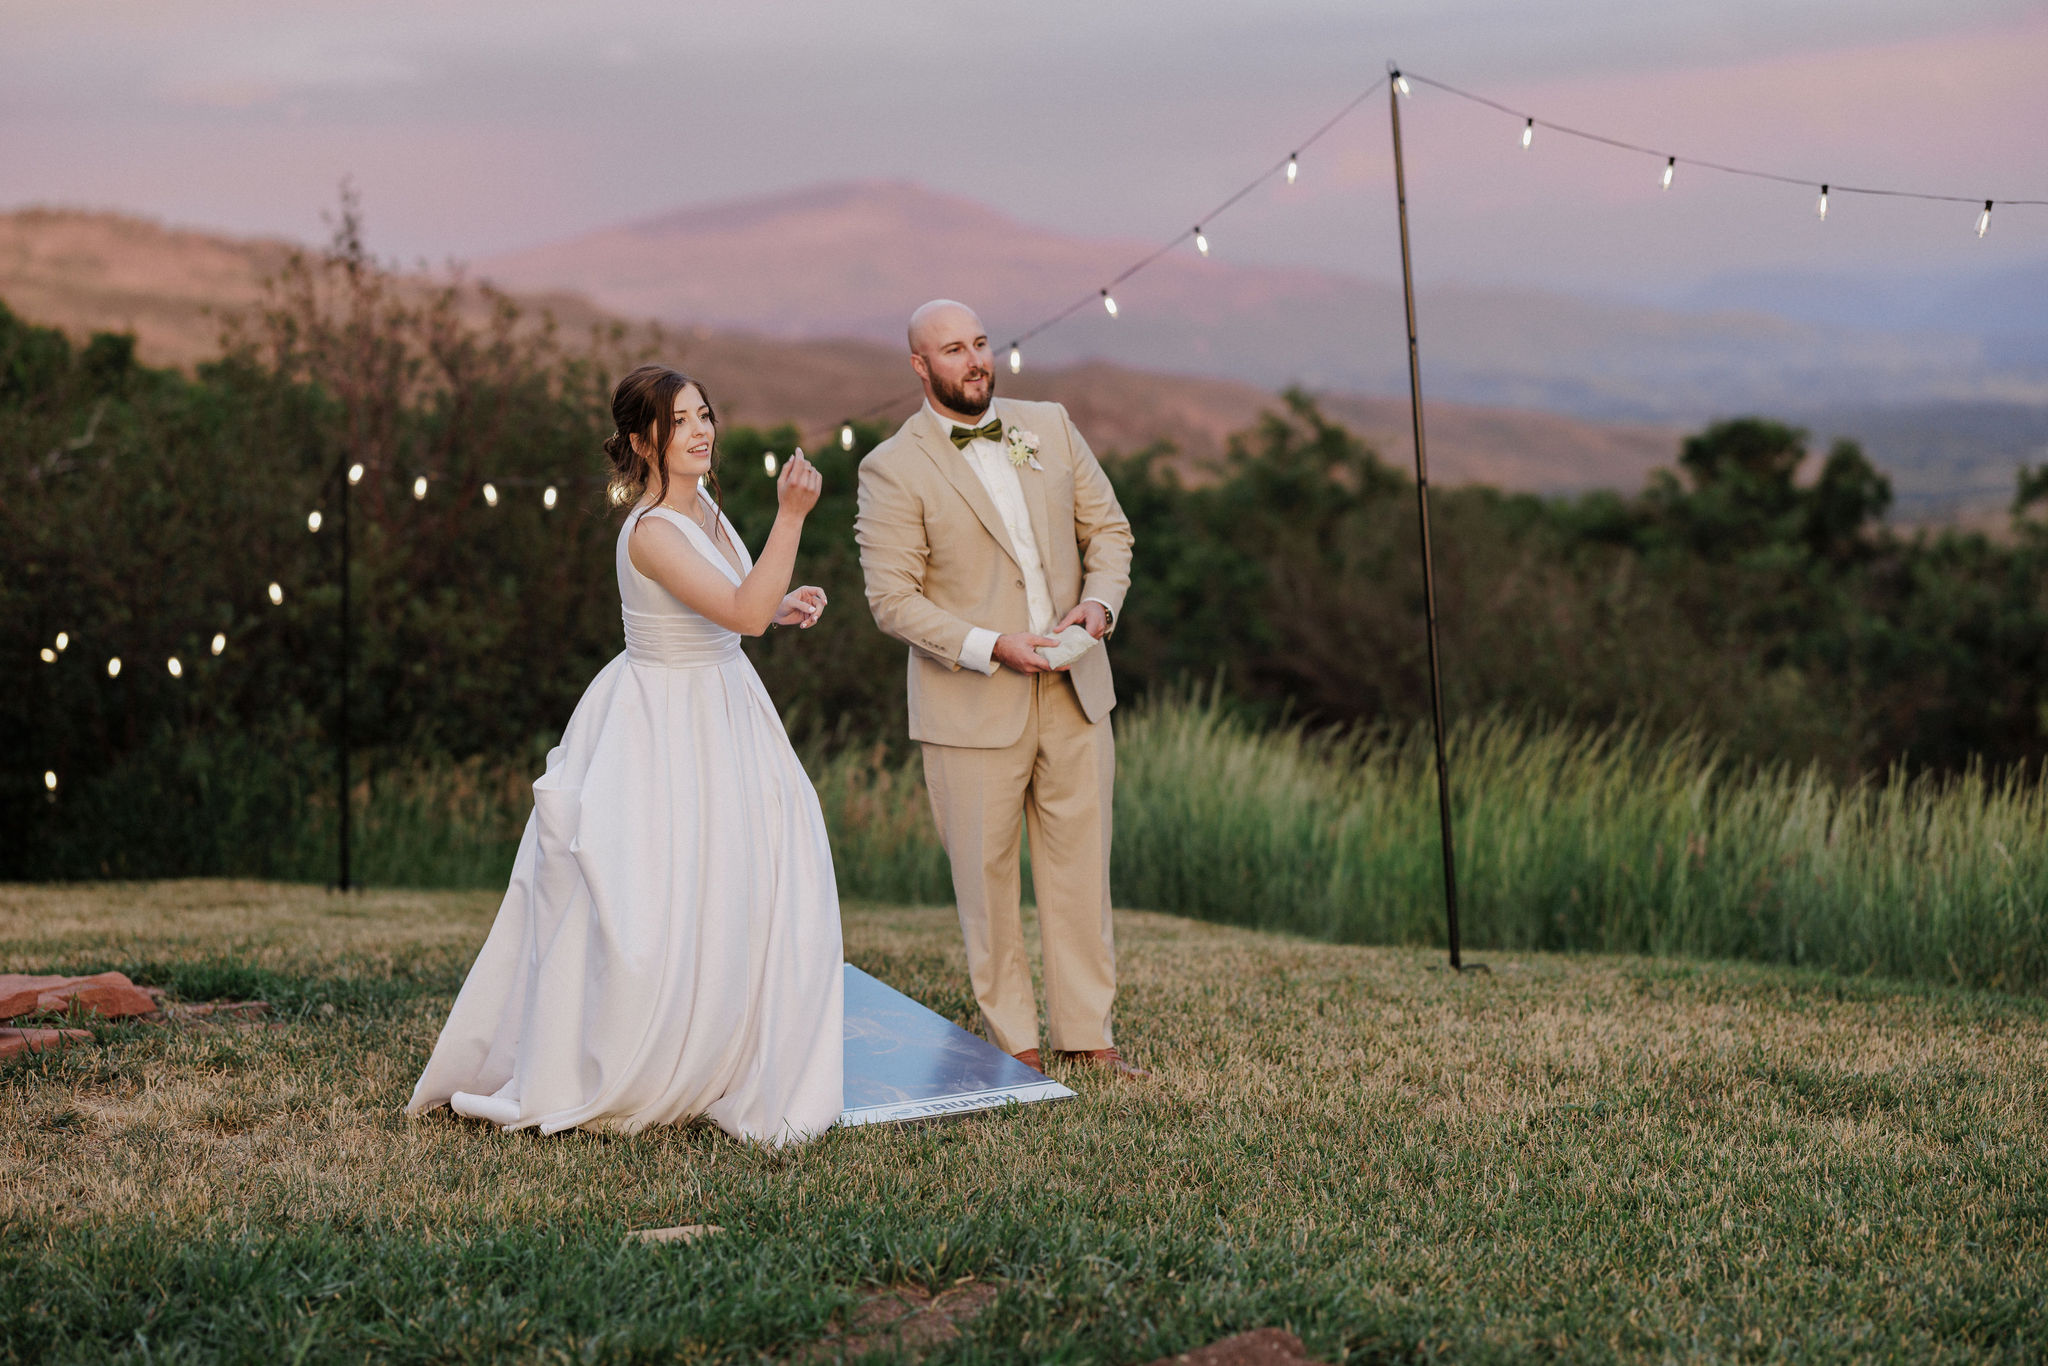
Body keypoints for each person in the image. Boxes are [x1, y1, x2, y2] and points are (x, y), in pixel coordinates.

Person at [407, 364, 845, 1145]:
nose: (703, 430)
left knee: (743, 878)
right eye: (682, 422)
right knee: (663, 892)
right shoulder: (648, 532)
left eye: (706, 413)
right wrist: (790, 520)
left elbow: (734, 606)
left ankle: (728, 1041)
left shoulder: (703, 506)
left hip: (725, 710)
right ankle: (650, 1053)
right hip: (667, 725)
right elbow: (735, 613)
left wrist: (779, 604)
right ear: (644, 441)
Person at [854, 300, 1143, 1077]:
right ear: (920, 366)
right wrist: (992, 647)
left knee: (1082, 871)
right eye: (954, 349)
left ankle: (1088, 1037)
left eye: (980, 343)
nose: (975, 359)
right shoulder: (891, 466)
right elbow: (893, 600)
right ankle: (1014, 1048)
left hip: (1077, 686)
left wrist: (1100, 603)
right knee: (986, 888)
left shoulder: (1047, 423)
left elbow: (1109, 532)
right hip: (970, 705)